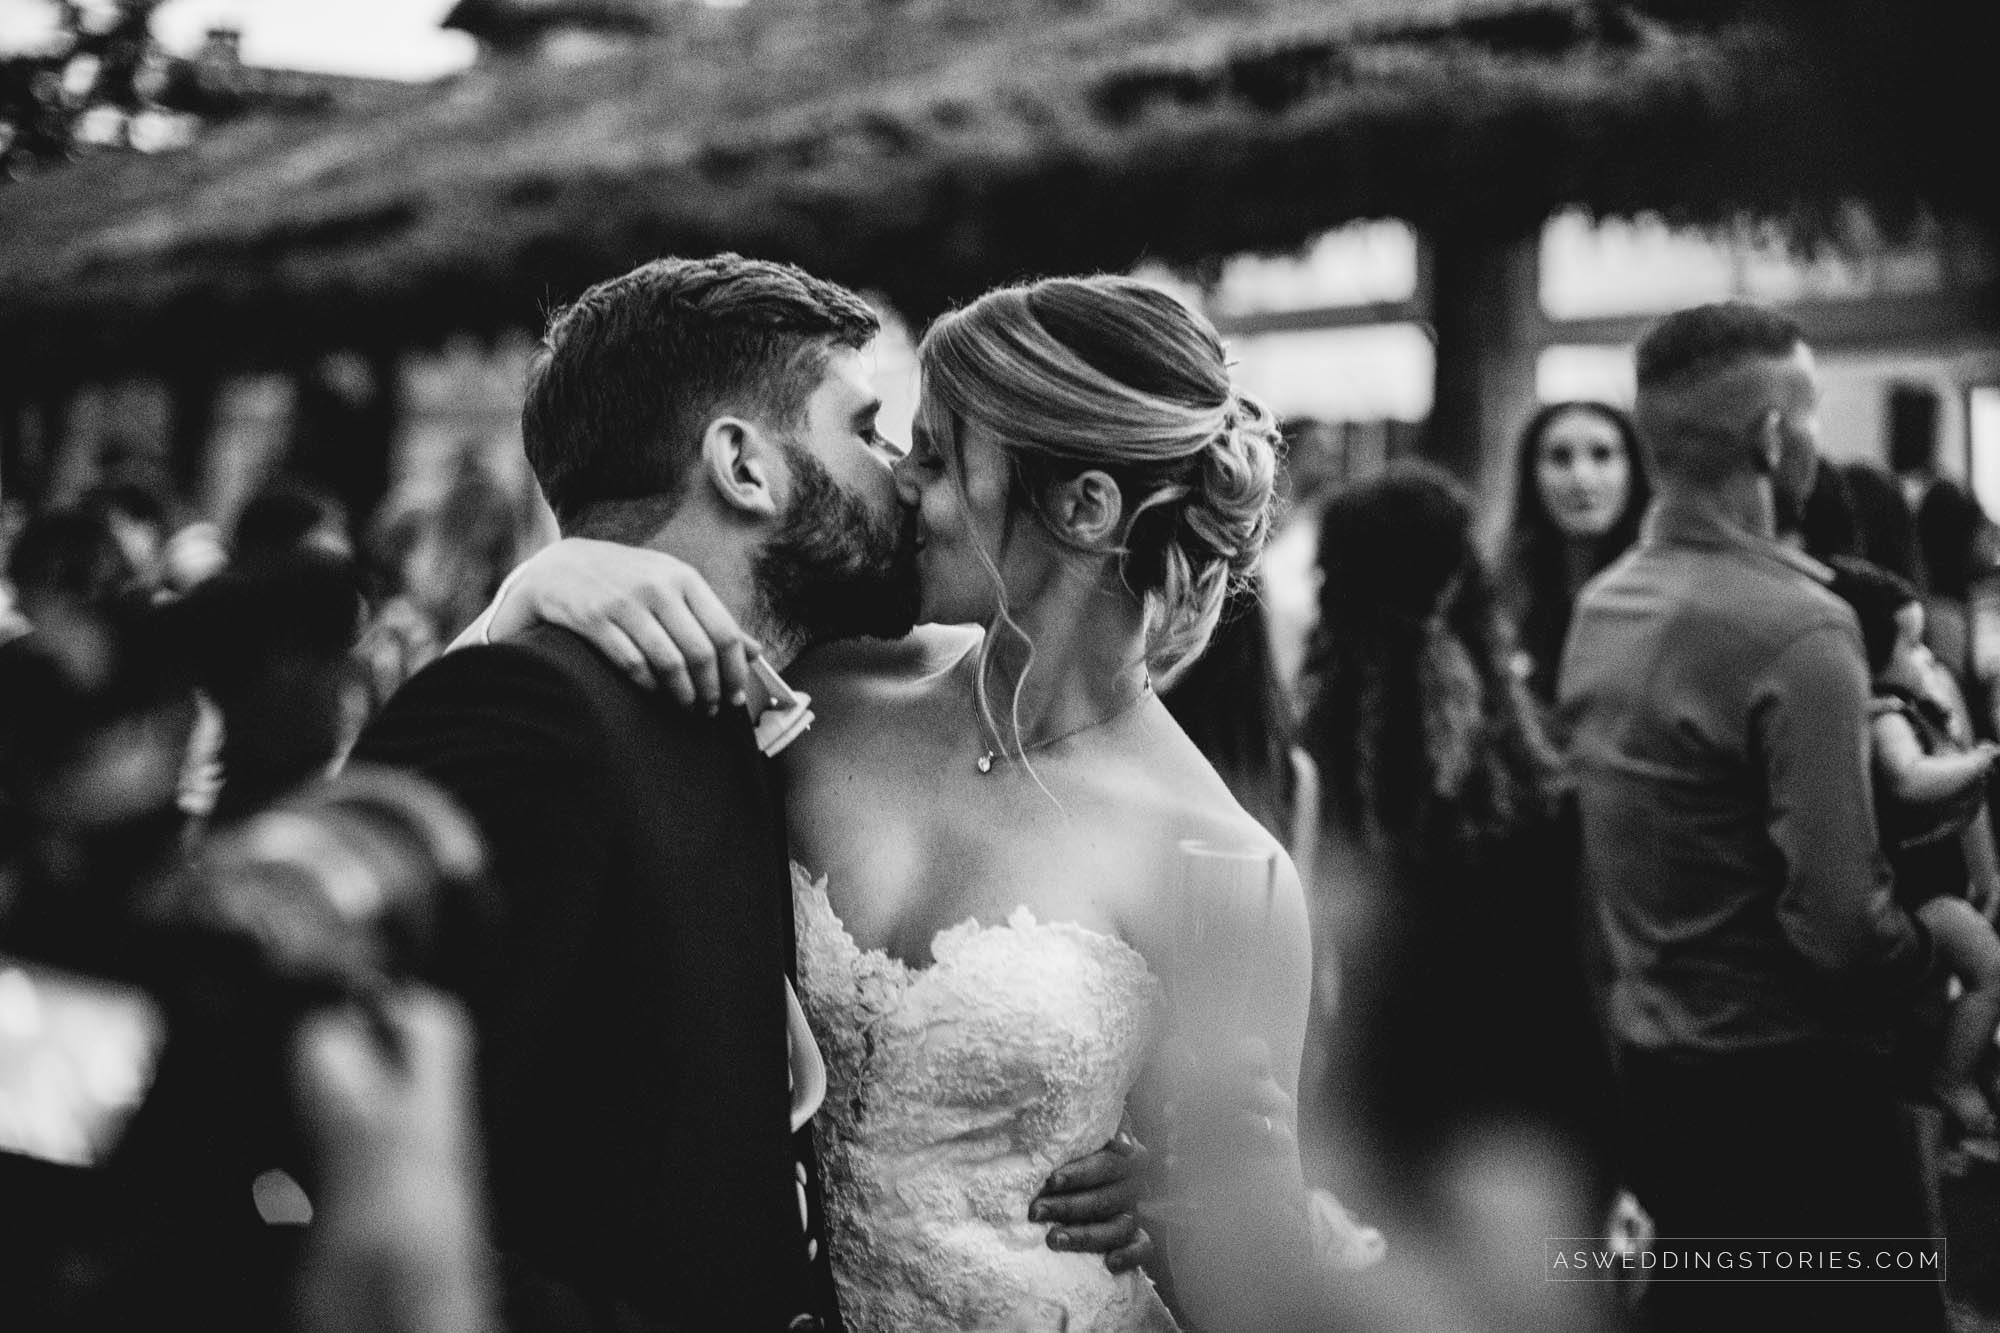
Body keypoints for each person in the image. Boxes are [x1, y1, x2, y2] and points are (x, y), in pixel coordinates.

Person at [479, 271, 1363, 1330]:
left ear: (1083, 507)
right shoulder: (824, 687)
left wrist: (1214, 1198)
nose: (899, 480)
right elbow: (546, 762)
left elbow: (1257, 1306)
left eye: (937, 457)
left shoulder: (1220, 863)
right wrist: (539, 588)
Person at [350, 255, 1152, 1333]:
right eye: (865, 430)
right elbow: (347, 1155)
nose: (902, 479)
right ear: (742, 464)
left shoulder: (747, 717)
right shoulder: (536, 717)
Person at [1558, 301, 1944, 1332]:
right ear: (1773, 437)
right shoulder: (1800, 627)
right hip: (1805, 1102)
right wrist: (1935, 958)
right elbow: (1838, 924)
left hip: (1657, 1086)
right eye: (1808, 415)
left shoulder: (1605, 607)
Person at [1296, 464, 1613, 1256]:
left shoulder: (1309, 768)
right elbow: (1570, 984)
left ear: (1335, 590)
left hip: (1364, 1125)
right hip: (1520, 1129)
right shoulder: (1527, 770)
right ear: (1473, 585)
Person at [1828, 555, 2000, 1151]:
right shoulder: (1885, 716)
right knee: (1990, 969)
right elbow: (1907, 778)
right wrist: (1973, 763)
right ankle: (1953, 1079)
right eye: (1913, 646)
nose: (1926, 659)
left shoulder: (1904, 709)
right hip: (1921, 892)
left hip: (1934, 884)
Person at [1496, 401, 1650, 708]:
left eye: (1602, 454)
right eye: (1560, 457)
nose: (1581, 477)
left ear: (1634, 469)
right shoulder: (1500, 594)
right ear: (1531, 475)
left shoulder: (1665, 590)